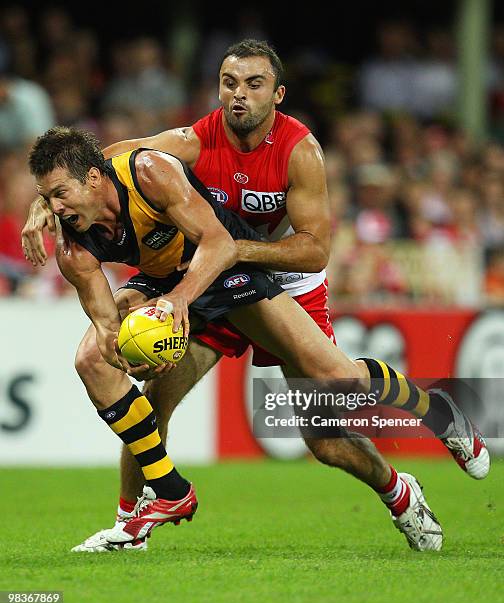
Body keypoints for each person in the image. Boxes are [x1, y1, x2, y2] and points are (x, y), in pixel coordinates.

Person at [22, 41, 488, 552]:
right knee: (150, 405)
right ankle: (131, 521)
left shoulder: (300, 150)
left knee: (329, 432)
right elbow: (110, 158)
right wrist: (42, 205)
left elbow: (313, 252)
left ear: (278, 94)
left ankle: (429, 424)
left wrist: (229, 258)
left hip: (279, 275)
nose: (237, 95)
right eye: (228, 82)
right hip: (202, 272)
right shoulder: (193, 141)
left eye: (253, 84)